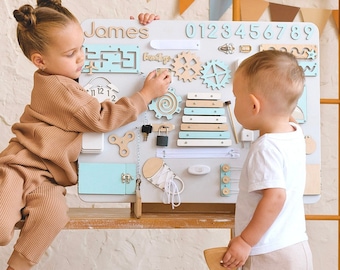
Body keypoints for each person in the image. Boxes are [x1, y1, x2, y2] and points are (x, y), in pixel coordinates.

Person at [0, 1, 170, 269]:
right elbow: (100, 118)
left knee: (53, 216)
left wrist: (134, 29)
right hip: (21, 168)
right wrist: (146, 95)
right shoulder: (58, 87)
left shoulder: (69, 76)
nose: (81, 57)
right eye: (71, 53)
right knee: (1, 228)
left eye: (82, 47)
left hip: (49, 178)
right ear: (40, 61)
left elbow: (108, 56)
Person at [220, 50, 313, 269]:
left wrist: (244, 241)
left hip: (269, 253)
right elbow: (283, 110)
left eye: (236, 97)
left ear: (254, 106)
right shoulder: (294, 132)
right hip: (295, 244)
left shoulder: (266, 148)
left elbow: (275, 198)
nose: (234, 104)